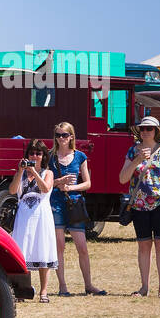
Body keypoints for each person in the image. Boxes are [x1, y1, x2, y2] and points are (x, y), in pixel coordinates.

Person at [118, 115, 160, 298]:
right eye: (143, 129)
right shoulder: (132, 152)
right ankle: (144, 287)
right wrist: (137, 160)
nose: (145, 131)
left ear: (156, 131)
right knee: (143, 245)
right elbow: (123, 178)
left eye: (149, 129)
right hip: (139, 205)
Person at [48, 121, 106, 296]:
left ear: (71, 137)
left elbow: (88, 183)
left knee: (82, 247)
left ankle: (88, 285)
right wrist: (59, 183)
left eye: (64, 135)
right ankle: (62, 286)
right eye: (58, 135)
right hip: (56, 203)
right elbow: (45, 183)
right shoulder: (50, 156)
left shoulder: (80, 156)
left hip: (75, 204)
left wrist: (70, 188)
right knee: (59, 247)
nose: (61, 138)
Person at [8, 139, 57, 301]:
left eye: (38, 153)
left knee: (42, 250)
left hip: (41, 216)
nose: (34, 156)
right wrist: (21, 171)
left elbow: (45, 188)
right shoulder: (20, 173)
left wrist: (34, 172)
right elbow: (13, 190)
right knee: (22, 252)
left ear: (44, 156)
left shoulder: (48, 173)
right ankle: (23, 289)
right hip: (24, 216)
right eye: (32, 153)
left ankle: (44, 291)